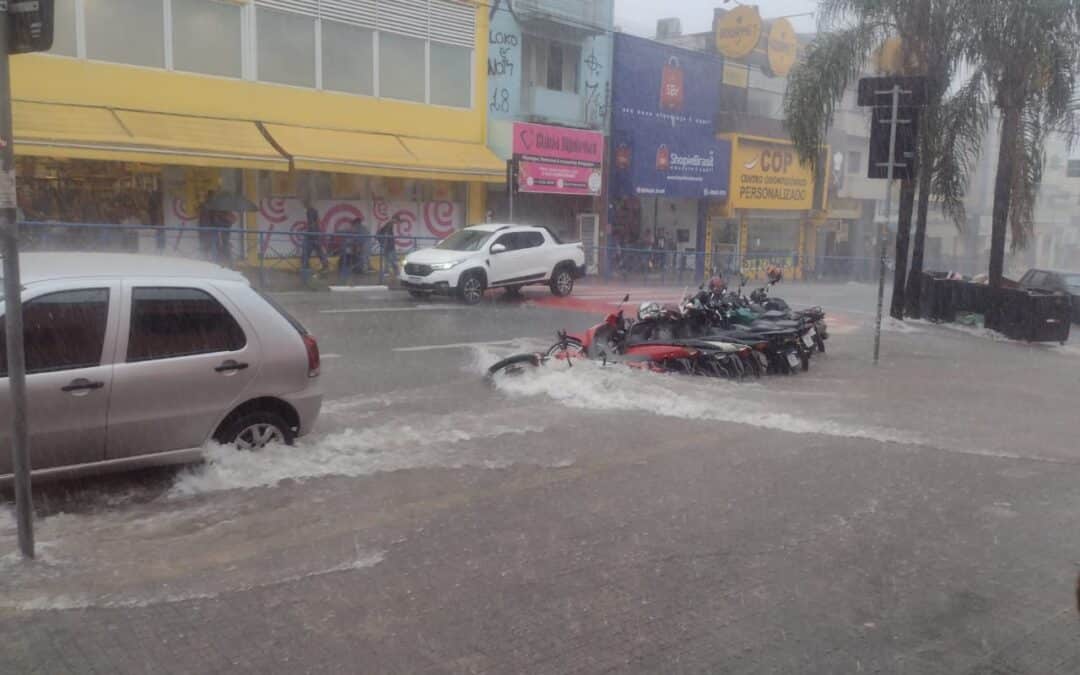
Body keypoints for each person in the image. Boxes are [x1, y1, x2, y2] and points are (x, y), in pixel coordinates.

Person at [301, 198, 329, 275]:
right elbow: (316, 223)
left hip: (312, 234)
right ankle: (325, 266)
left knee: (307, 250)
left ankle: (305, 267)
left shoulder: (310, 211)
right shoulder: (314, 211)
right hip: (316, 234)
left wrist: (310, 233)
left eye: (304, 204)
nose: (303, 205)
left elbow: (312, 223)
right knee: (318, 251)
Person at [339, 215, 369, 282]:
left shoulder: (357, 228)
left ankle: (360, 270)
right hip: (364, 245)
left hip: (362, 245)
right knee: (362, 257)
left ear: (356, 223)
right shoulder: (364, 228)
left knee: (361, 257)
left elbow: (349, 233)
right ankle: (361, 269)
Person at [378, 215, 399, 279]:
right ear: (394, 219)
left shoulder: (388, 224)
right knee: (393, 259)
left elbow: (382, 232)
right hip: (389, 245)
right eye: (397, 220)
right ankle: (396, 272)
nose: (397, 222)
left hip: (387, 245)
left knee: (387, 259)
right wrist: (385, 243)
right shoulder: (389, 224)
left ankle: (387, 272)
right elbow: (387, 234)